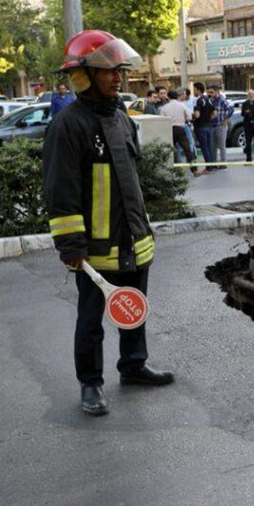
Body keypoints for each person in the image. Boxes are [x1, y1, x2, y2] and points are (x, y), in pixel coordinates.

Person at [41, 29, 174, 416]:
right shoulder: (68, 126)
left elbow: (132, 181)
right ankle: (91, 385)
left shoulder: (121, 117)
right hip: (94, 248)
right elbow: (60, 191)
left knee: (133, 306)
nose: (118, 78)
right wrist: (71, 247)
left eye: (120, 70)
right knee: (91, 320)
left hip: (132, 239)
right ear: (83, 76)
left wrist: (143, 229)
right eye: (107, 71)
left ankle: (133, 365)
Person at [161, 89, 202, 176]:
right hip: (180, 129)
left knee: (172, 150)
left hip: (169, 129)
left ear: (168, 97)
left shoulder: (164, 107)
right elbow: (189, 117)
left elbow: (162, 120)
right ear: (177, 96)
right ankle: (194, 170)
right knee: (187, 150)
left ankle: (176, 170)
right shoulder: (182, 105)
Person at [192, 84, 216, 164]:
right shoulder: (208, 99)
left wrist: (192, 116)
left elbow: (197, 115)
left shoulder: (197, 100)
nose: (194, 91)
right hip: (209, 126)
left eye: (194, 89)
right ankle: (211, 165)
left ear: (198, 90)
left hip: (200, 127)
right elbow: (215, 113)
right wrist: (208, 119)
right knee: (209, 147)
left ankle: (208, 168)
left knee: (204, 147)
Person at [210, 85, 232, 170]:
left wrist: (226, 119)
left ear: (217, 92)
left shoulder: (222, 100)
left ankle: (223, 163)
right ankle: (214, 163)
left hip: (221, 126)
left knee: (222, 145)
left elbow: (230, 109)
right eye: (209, 92)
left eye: (212, 92)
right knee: (213, 146)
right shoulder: (211, 100)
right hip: (212, 126)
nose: (210, 94)